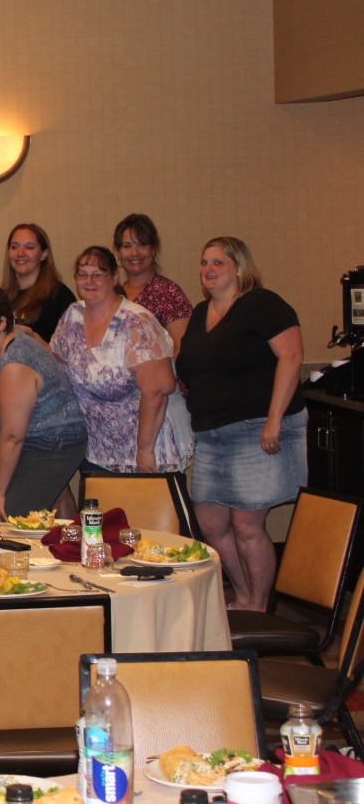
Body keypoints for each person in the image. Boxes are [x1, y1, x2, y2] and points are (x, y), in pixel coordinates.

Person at [176, 236, 305, 612]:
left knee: (247, 525)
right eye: (204, 263)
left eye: (218, 262)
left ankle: (259, 609)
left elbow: (293, 357)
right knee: (212, 525)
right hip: (211, 435)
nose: (208, 270)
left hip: (256, 430)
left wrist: (274, 420)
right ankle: (243, 595)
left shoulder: (262, 304)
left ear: (239, 267)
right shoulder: (201, 313)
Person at [51, 247, 192, 474]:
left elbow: (158, 390)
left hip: (143, 452)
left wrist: (144, 450)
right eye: (82, 274)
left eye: (98, 274)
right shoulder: (72, 315)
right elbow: (56, 362)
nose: (89, 281)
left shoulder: (136, 322)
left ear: (115, 277)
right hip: (96, 450)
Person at [0, 285, 88, 519]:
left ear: (2, 323)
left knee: (7, 517)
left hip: (50, 443)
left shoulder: (16, 363)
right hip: (3, 442)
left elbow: (13, 436)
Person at [113, 213, 194, 350]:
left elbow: (183, 350)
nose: (134, 253)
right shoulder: (113, 293)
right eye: (127, 246)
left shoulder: (169, 293)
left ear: (154, 249)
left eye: (142, 245)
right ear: (118, 253)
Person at [0, 223, 75, 342]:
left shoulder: (59, 296)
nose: (20, 253)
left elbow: (68, 351)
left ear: (44, 254)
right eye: (15, 247)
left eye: (29, 247)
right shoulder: (1, 297)